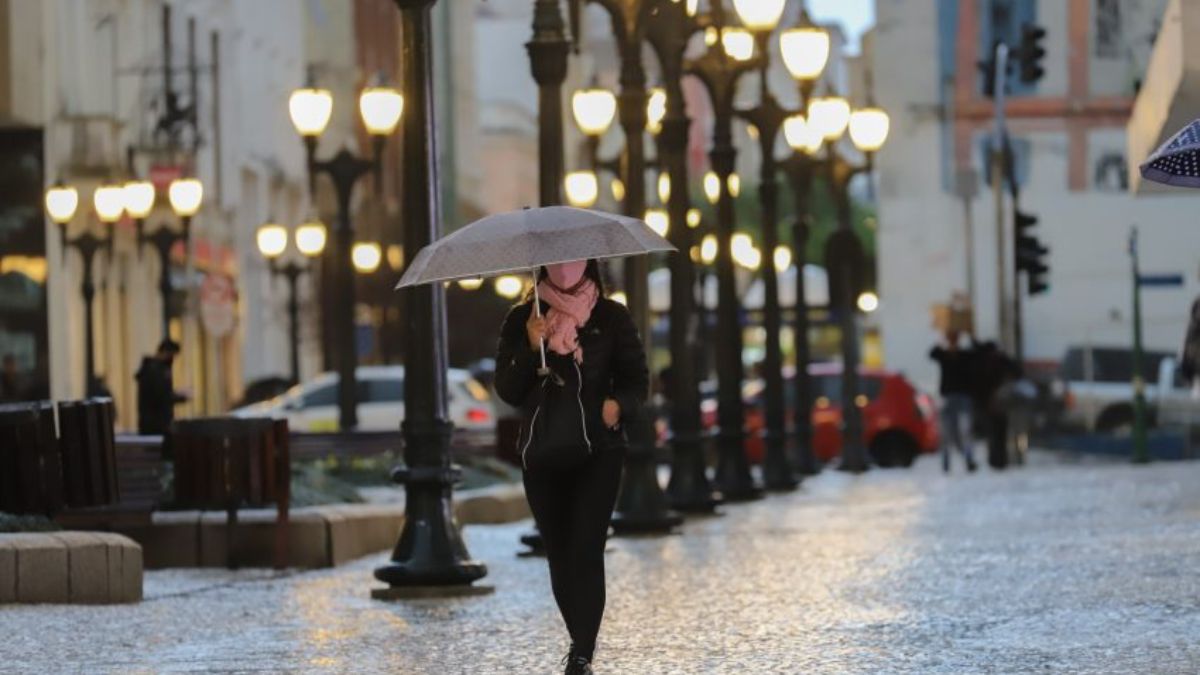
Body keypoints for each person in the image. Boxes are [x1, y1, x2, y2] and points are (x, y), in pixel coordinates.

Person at [494, 259, 647, 675]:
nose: (565, 269)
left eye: (573, 261)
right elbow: (508, 391)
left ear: (589, 265)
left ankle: (582, 652)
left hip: (600, 449)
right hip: (544, 453)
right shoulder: (522, 318)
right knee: (560, 552)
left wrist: (619, 406)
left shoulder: (612, 317)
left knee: (585, 547)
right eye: (556, 263)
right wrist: (529, 347)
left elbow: (638, 380)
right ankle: (579, 640)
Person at [930, 330, 978, 473]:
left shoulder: (965, 355)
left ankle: (968, 459)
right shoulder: (943, 355)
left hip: (963, 397)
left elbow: (976, 353)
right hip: (948, 396)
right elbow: (932, 353)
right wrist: (941, 339)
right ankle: (946, 462)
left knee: (965, 430)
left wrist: (971, 336)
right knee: (946, 432)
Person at [136, 339, 187, 435]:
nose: (172, 359)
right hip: (156, 424)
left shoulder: (153, 369)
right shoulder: (156, 370)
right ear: (165, 352)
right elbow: (161, 395)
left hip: (153, 422)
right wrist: (180, 397)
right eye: (172, 355)